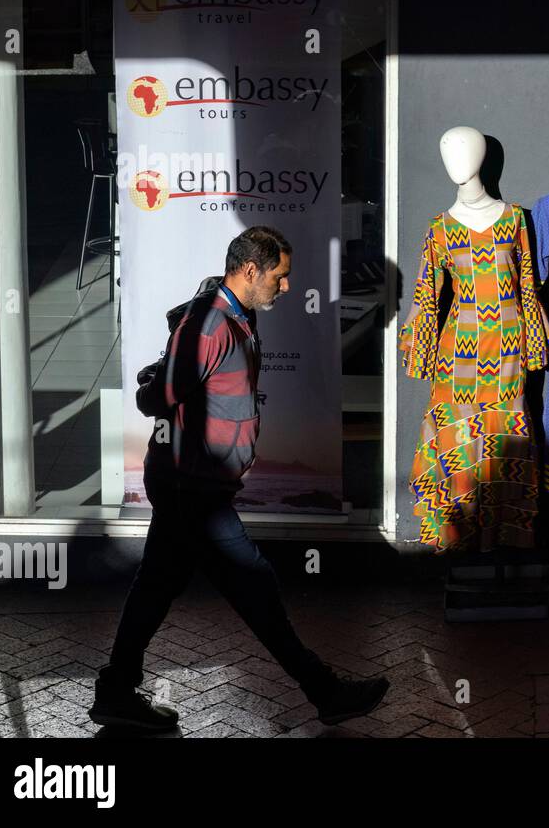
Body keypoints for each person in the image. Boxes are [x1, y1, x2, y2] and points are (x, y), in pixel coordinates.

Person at [90, 226, 389, 731]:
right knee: (256, 588)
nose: (287, 287)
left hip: (199, 484)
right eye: (282, 276)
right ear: (251, 270)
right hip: (193, 489)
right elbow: (156, 399)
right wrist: (156, 381)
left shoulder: (237, 316)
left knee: (156, 588)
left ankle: (116, 691)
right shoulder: (210, 326)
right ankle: (326, 692)